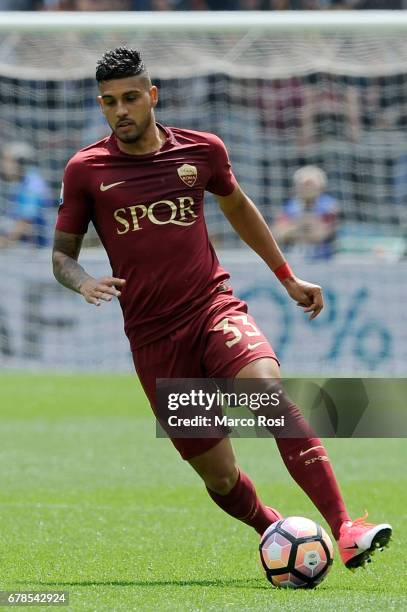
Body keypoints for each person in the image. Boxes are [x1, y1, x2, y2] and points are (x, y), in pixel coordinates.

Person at [52, 48, 391, 571]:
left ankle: (346, 527)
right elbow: (61, 255)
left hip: (213, 308)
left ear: (152, 96)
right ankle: (274, 531)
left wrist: (287, 276)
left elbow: (238, 206)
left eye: (130, 98)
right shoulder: (86, 170)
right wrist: (82, 282)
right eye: (109, 102)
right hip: (154, 340)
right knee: (222, 477)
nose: (120, 110)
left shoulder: (201, 151)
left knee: (269, 394)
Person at [271, 165, 338, 259]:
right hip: (292, 259)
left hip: (322, 260)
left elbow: (320, 234)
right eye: (303, 184)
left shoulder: (329, 206)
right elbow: (278, 234)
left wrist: (293, 229)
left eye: (310, 184)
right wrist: (301, 228)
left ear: (321, 186)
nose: (307, 188)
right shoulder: (288, 206)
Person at [0, 142, 52, 248]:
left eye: (7, 160)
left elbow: (26, 222)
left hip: (37, 252)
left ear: (20, 162)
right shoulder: (19, 183)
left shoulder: (33, 184)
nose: (3, 164)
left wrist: (4, 242)